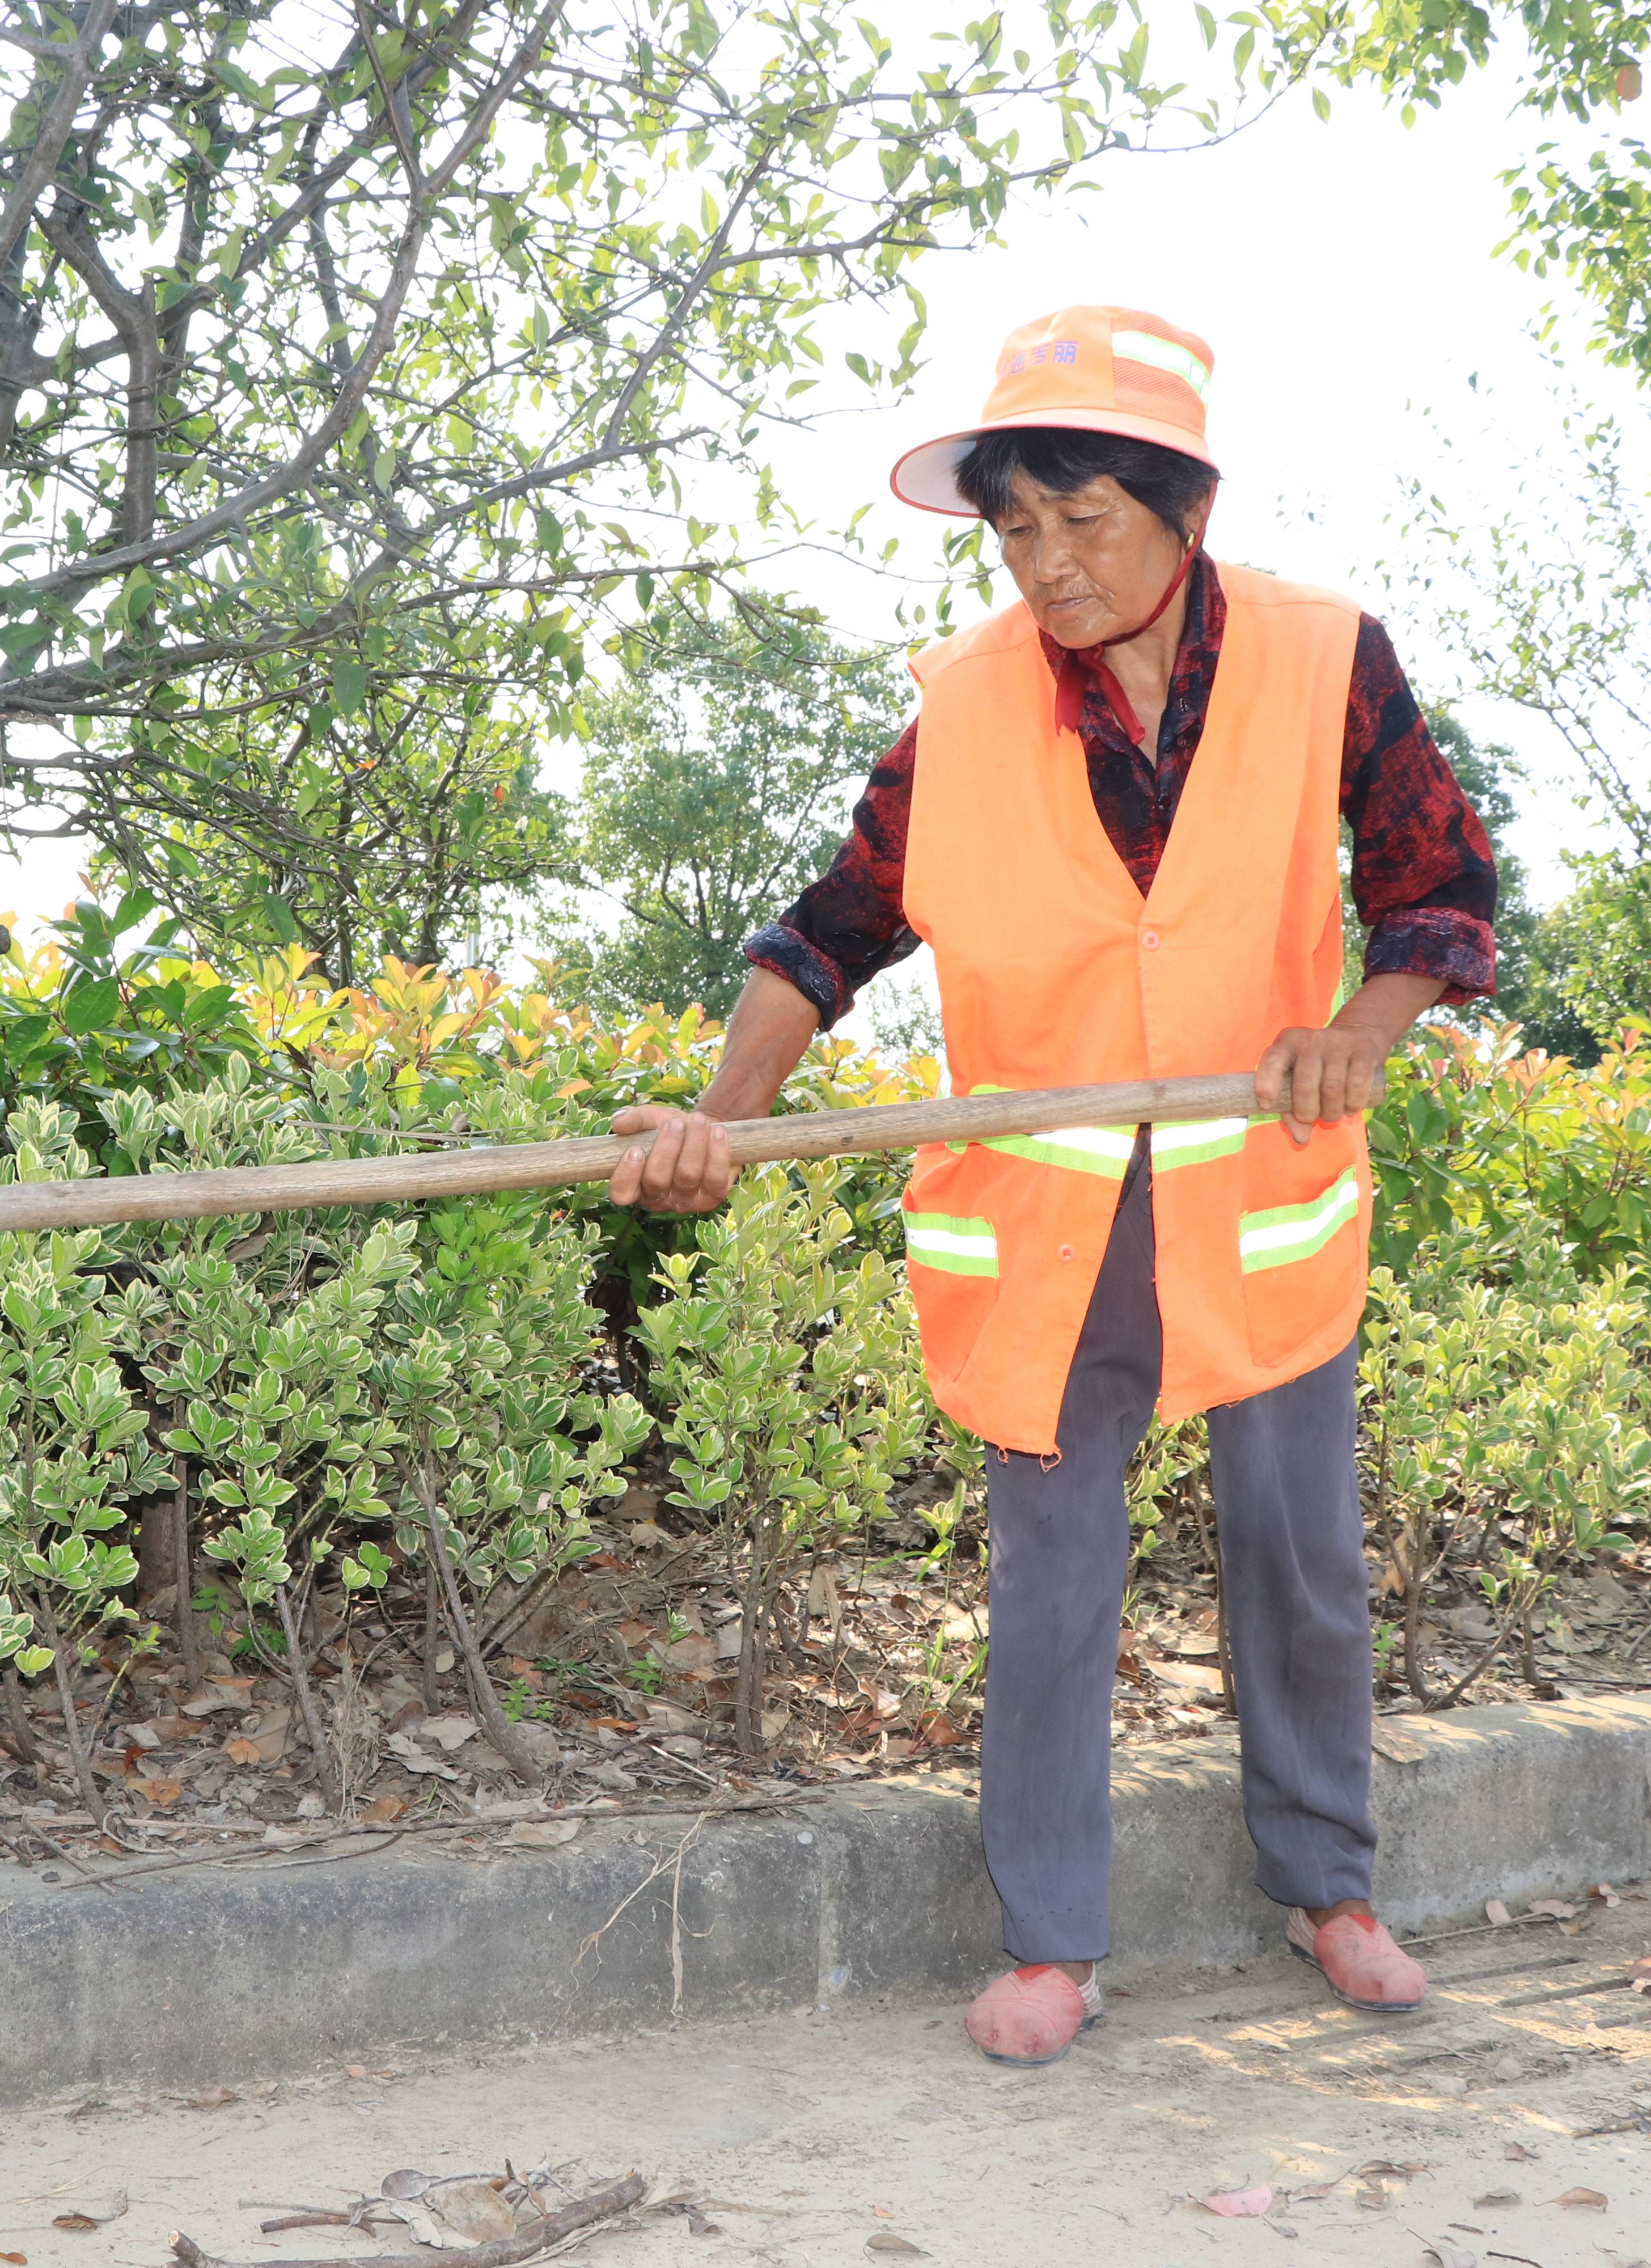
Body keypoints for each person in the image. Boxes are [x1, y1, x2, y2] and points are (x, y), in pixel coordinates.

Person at [605, 304, 1498, 2067]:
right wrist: (717, 1116)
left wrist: (1364, 1025)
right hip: (1050, 1217)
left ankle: (1331, 1887)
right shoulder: (961, 704)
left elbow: (1440, 884)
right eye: (1019, 527)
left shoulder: (1329, 657)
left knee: (1301, 1557)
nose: (1049, 564)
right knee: (1053, 1582)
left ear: (1183, 514)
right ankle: (1050, 1942)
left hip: (1263, 1195)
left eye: (1085, 518)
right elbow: (826, 934)